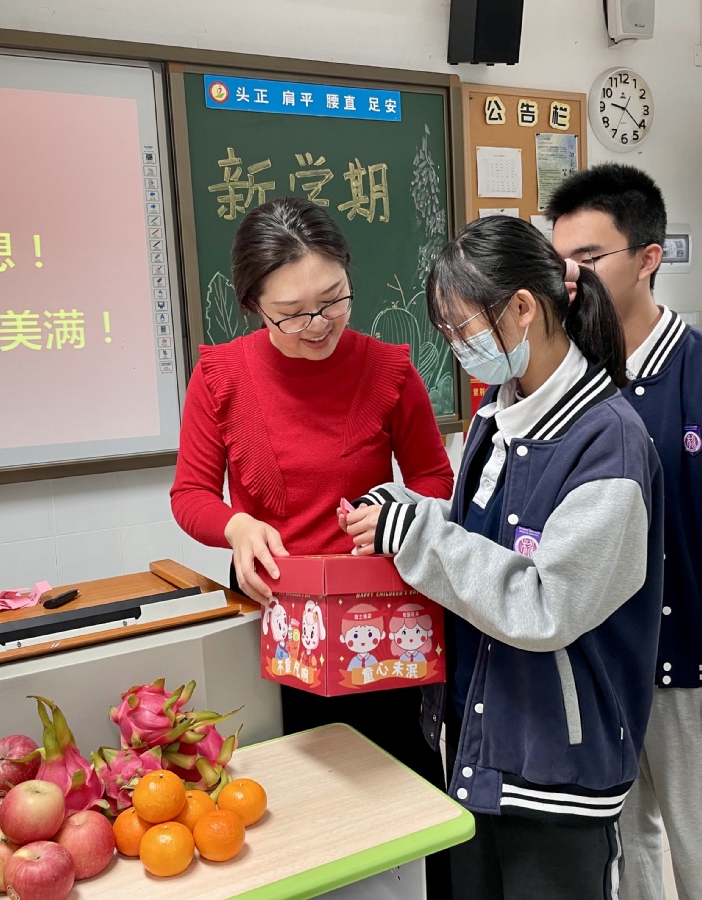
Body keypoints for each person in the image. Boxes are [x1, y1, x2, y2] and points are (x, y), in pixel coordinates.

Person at [344, 215, 665, 899]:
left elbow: (544, 603)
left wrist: (420, 536)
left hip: (557, 767)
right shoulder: (498, 414)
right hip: (481, 747)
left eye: (463, 329)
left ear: (523, 308)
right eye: (450, 333)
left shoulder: (610, 442)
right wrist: (404, 514)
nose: (458, 348)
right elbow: (480, 539)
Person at [169, 196, 455, 894]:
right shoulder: (221, 376)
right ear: (252, 305)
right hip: (274, 625)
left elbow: (433, 478)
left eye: (333, 301)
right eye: (292, 313)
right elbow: (191, 495)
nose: (317, 324)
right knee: (289, 809)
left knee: (400, 798)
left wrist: (391, 509)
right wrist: (236, 526)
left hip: (376, 623)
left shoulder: (388, 368)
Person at [548, 164, 702, 900]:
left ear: (649, 258)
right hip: (599, 667)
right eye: (560, 260)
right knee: (624, 847)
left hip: (692, 673)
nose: (570, 278)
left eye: (589, 258)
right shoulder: (563, 374)